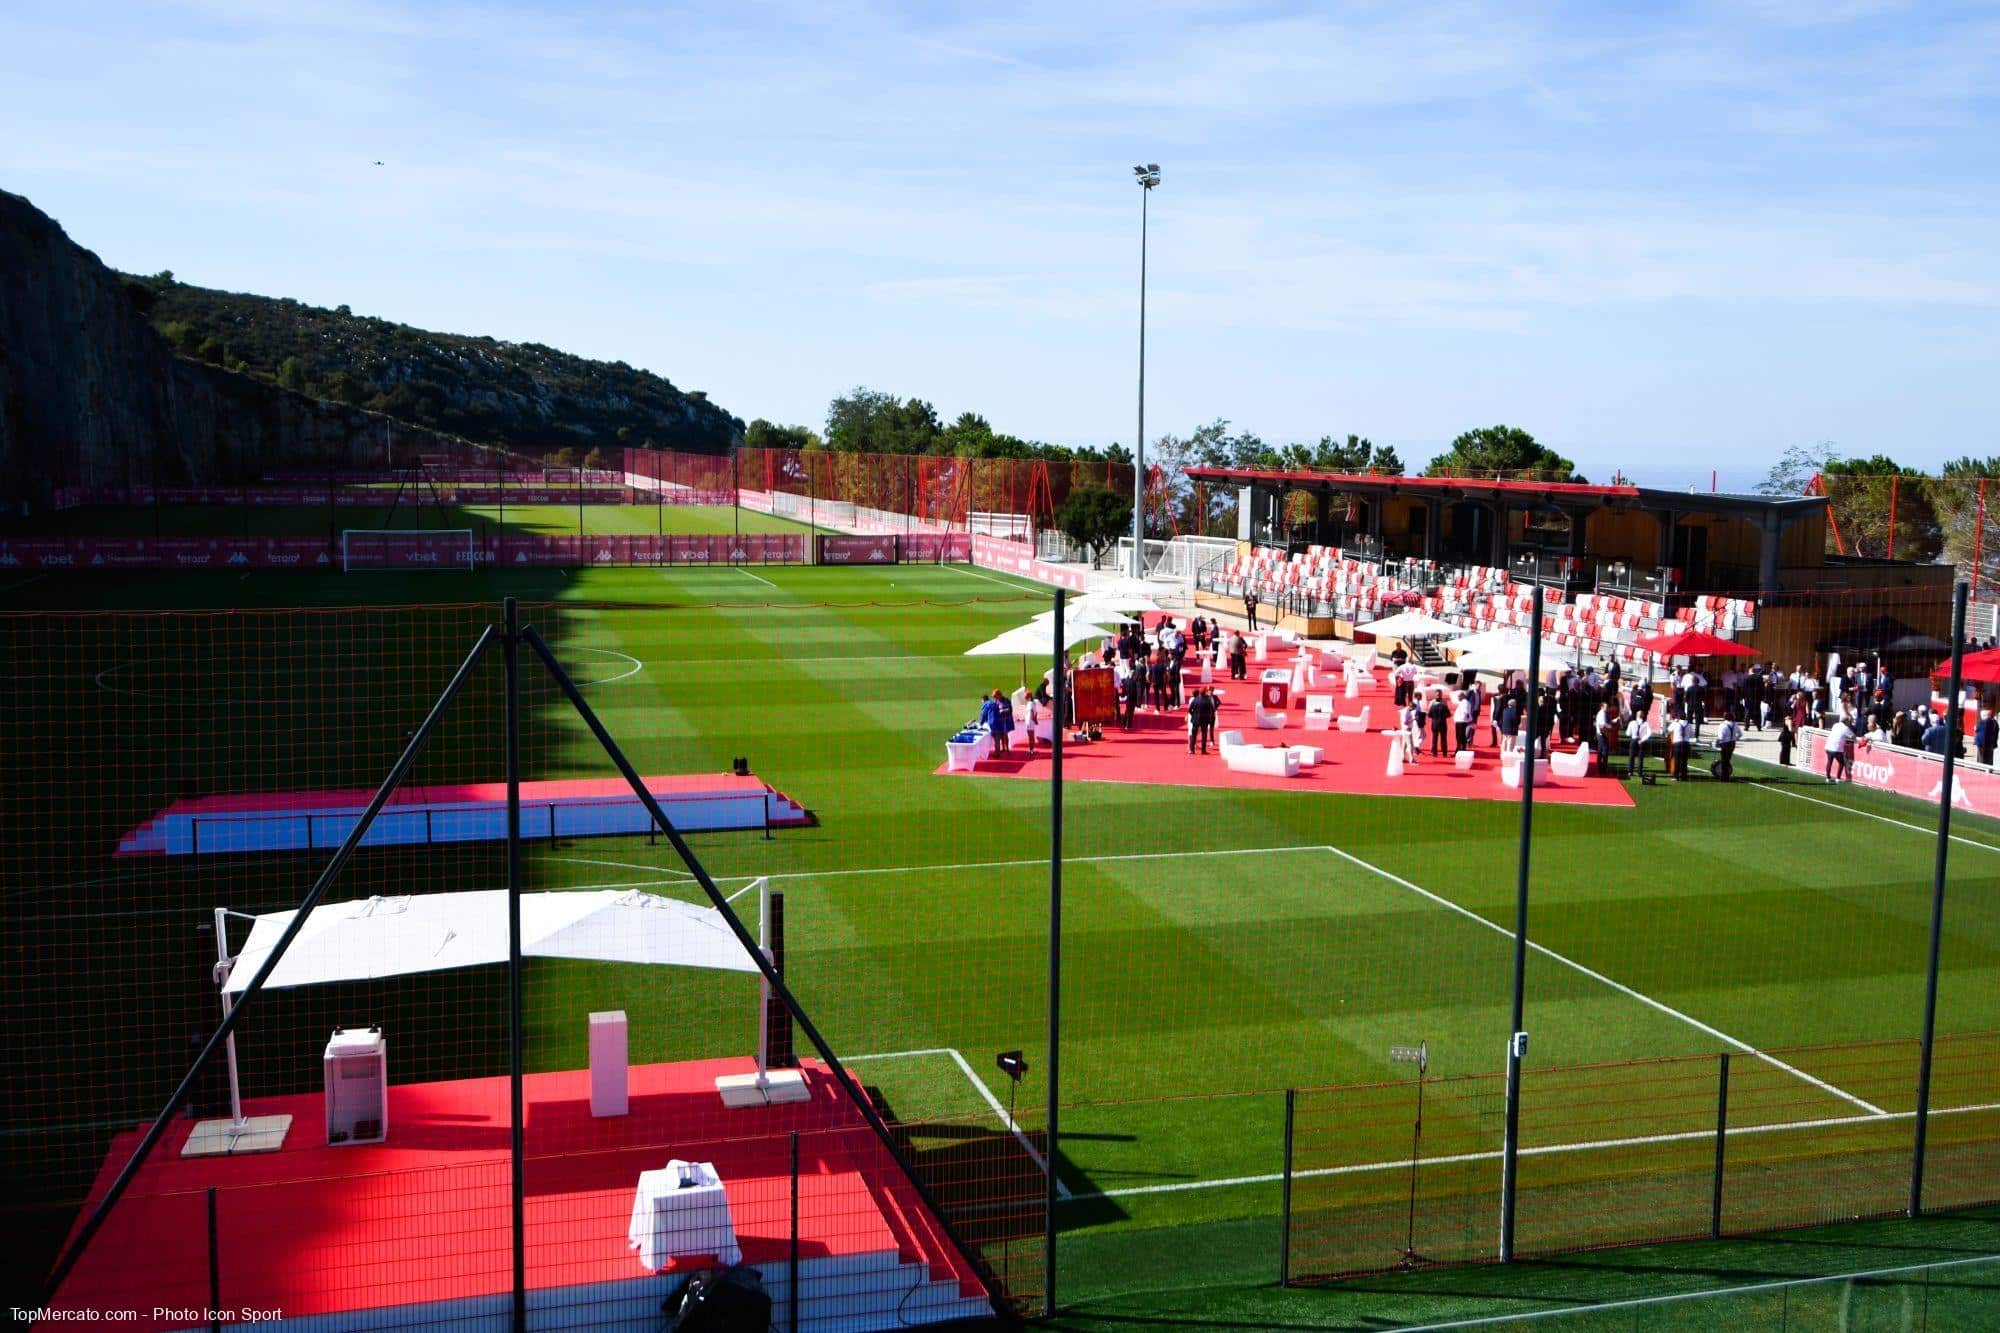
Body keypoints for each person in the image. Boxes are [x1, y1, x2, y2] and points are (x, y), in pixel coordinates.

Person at [1825, 714, 1856, 783]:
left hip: (1829, 746)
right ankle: (1838, 778)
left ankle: (1827, 777)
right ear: (1846, 721)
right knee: (1841, 763)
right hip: (1837, 748)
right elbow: (1853, 736)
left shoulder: (1835, 725)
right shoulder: (1845, 728)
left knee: (1829, 762)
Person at [1187, 686, 1218, 754]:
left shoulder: (1195, 699)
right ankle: (1203, 750)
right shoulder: (1208, 700)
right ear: (1205, 693)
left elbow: (1189, 710)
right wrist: (1209, 717)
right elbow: (1212, 710)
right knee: (1204, 735)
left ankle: (1192, 750)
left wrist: (1194, 715)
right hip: (1205, 720)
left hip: (1195, 720)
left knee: (1193, 735)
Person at [981, 690, 1012, 756]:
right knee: (1000, 735)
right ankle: (1002, 748)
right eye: (994, 696)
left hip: (1005, 719)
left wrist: (1002, 710)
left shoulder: (1006, 700)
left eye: (995, 696)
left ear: (999, 695)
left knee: (1005, 735)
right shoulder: (995, 701)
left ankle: (1007, 749)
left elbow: (1009, 709)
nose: (994, 698)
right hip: (999, 720)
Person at [1712, 715, 1741, 781]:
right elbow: (1740, 734)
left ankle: (1723, 777)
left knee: (1724, 760)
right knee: (1728, 760)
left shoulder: (1722, 725)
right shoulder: (1735, 724)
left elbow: (1721, 736)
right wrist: (1735, 738)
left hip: (1725, 744)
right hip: (1732, 743)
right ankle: (1726, 776)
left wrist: (1719, 742)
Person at [1625, 710, 1653, 777]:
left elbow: (1628, 733)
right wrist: (1643, 739)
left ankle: (1630, 771)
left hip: (1634, 739)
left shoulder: (1632, 723)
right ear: (1643, 715)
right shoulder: (1646, 723)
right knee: (1640, 757)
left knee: (1631, 756)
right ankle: (1639, 772)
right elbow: (1649, 733)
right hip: (1641, 741)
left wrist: (1632, 735)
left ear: (1636, 715)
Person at [1668, 710, 1693, 781]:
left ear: (1679, 717)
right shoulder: (1689, 725)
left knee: (1677, 760)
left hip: (1678, 743)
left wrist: (1675, 721)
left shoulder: (1676, 723)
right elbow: (1692, 735)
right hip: (1686, 743)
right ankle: (1684, 776)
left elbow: (1669, 729)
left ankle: (1676, 776)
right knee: (1684, 761)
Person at [1427, 690, 1451, 758]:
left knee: (1441, 739)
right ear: (1435, 695)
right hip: (1441, 723)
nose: (1438, 695)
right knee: (1436, 739)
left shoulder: (1444, 702)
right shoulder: (1432, 702)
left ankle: (1441, 752)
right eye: (1437, 694)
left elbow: (1429, 715)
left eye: (1440, 694)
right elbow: (1448, 714)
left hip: (1436, 723)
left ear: (1441, 694)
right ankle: (1438, 752)